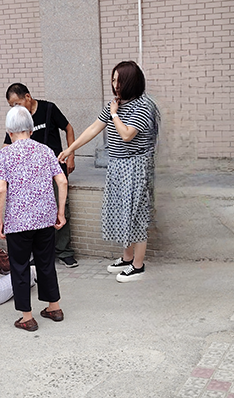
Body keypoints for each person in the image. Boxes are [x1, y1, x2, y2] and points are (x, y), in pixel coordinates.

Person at [58, 61, 160, 283]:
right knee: (122, 213)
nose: (115, 85)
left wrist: (114, 114)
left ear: (131, 81)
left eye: (119, 81)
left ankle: (138, 266)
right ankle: (127, 258)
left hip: (136, 168)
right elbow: (93, 128)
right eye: (113, 80)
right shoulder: (116, 104)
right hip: (117, 166)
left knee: (136, 215)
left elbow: (127, 135)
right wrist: (70, 149)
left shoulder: (144, 106)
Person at [0, 105, 67, 332]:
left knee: (20, 266)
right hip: (45, 218)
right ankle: (54, 307)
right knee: (46, 262)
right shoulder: (45, 150)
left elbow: (0, 189)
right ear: (31, 130)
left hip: (17, 222)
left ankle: (27, 317)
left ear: (9, 132)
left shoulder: (5, 154)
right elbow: (62, 181)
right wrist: (60, 213)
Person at [0, 83, 78, 268]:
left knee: (63, 209)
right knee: (33, 211)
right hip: (30, 175)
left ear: (28, 97)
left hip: (53, 168)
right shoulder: (18, 120)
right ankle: (37, 253)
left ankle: (64, 251)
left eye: (17, 103)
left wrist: (71, 155)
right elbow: (7, 145)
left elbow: (68, 128)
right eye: (11, 106)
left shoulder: (49, 109)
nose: (15, 108)